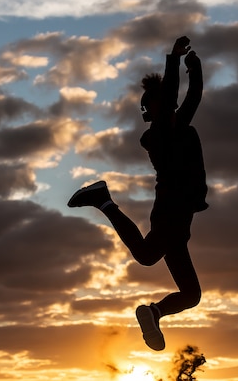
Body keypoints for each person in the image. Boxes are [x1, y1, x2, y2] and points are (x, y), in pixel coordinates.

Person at [68, 36, 208, 351]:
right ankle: (102, 200)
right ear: (160, 105)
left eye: (153, 104)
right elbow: (175, 95)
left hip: (180, 218)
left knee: (191, 294)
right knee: (146, 256)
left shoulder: (178, 125)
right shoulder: (160, 134)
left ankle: (153, 312)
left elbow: (193, 95)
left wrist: (194, 66)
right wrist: (174, 59)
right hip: (171, 211)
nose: (169, 103)